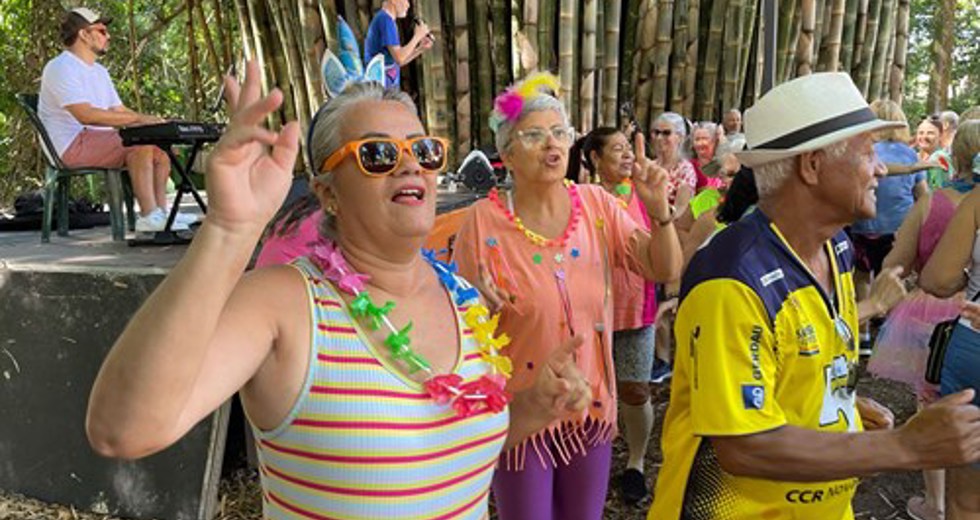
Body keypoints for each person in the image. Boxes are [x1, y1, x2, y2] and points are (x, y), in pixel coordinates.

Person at [85, 61, 593, 519]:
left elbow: (450, 454)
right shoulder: (284, 304)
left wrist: (533, 408)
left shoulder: (464, 297)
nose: (410, 164)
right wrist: (228, 229)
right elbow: (123, 429)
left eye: (422, 150)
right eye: (378, 154)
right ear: (327, 192)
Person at [648, 72, 980, 520]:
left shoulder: (835, 246)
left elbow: (797, 364)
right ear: (812, 165)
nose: (881, 169)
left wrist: (839, 411)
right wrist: (903, 446)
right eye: (868, 153)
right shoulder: (732, 279)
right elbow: (744, 446)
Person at [453, 74, 682, 519]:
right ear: (507, 155)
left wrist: (660, 215)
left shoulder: (596, 205)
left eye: (559, 132)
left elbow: (663, 268)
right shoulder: (481, 223)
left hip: (589, 405)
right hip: (523, 411)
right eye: (534, 135)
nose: (551, 144)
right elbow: (460, 325)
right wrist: (473, 304)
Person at [39, 7, 194, 233]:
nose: (108, 36)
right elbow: (86, 115)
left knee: (160, 145)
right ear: (84, 34)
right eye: (102, 31)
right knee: (140, 144)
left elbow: (119, 110)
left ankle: (161, 213)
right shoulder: (60, 67)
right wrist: (140, 119)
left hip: (96, 138)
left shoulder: (100, 72)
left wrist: (155, 123)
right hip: (70, 145)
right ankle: (149, 216)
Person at [569, 127, 660, 504]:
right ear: (595, 158)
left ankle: (635, 462)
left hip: (636, 306)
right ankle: (585, 461)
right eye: (618, 149)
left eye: (628, 149)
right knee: (586, 389)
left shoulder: (645, 191)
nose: (627, 156)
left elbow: (666, 241)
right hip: (588, 311)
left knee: (635, 389)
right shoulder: (577, 197)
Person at [919, 120, 980, 520]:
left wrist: (967, 280)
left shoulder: (976, 200)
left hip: (974, 341)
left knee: (967, 502)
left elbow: (937, 280)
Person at [363, 0, 433, 88]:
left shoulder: (386, 19)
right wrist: (417, 36)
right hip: (382, 87)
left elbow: (398, 62)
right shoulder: (386, 21)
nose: (408, 5)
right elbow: (399, 58)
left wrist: (420, 48)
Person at [650, 112, 698, 220]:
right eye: (656, 132)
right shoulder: (650, 166)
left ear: (679, 137)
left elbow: (679, 211)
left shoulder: (685, 170)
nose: (659, 137)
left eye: (666, 133)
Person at [917, 115, 956, 189]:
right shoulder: (924, 157)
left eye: (930, 133)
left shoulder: (938, 157)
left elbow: (940, 190)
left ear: (940, 135)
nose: (924, 137)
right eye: (921, 133)